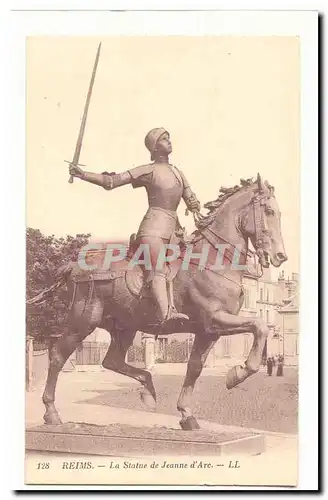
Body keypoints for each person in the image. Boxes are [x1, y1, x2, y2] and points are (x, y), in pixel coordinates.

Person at [69, 127, 201, 327]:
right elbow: (111, 182)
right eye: (164, 139)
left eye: (169, 138)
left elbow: (190, 197)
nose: (169, 141)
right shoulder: (147, 170)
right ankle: (166, 315)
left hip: (175, 232)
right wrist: (83, 174)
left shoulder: (178, 172)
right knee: (157, 270)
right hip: (153, 230)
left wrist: (193, 203)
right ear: (155, 147)